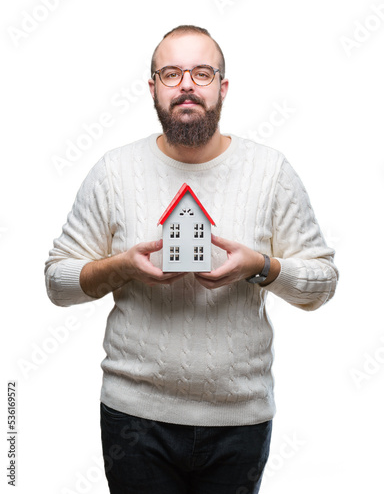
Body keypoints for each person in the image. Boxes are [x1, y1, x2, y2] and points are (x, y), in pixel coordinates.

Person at [45, 25, 338, 494]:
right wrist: (122, 266)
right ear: (152, 88)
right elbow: (57, 282)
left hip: (239, 421)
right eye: (171, 73)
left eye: (202, 73)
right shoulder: (114, 171)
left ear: (222, 88)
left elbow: (322, 283)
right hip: (135, 420)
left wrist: (261, 266)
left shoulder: (270, 172)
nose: (186, 85)